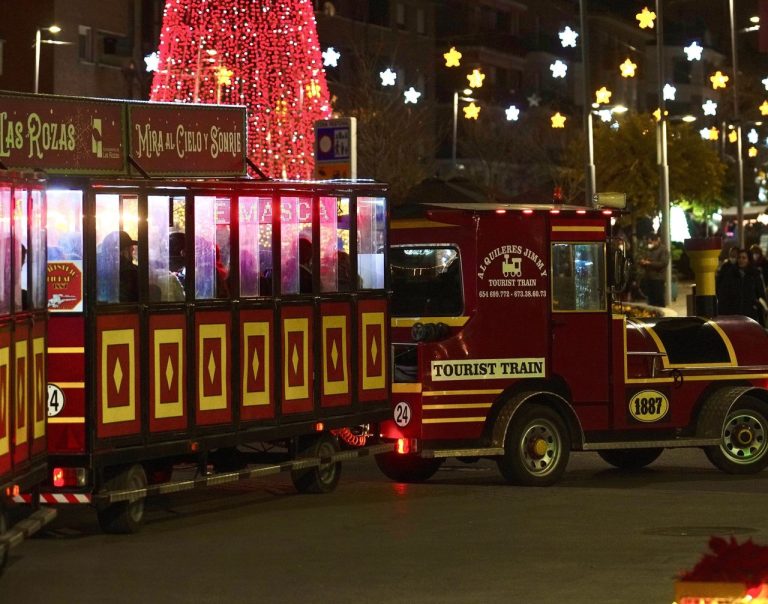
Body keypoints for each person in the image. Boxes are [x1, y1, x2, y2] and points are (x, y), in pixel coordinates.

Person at [717, 248, 767, 323]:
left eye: (744, 258)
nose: (741, 260)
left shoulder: (754, 275)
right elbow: (724, 293)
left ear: (748, 260)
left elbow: (760, 294)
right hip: (733, 314)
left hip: (750, 315)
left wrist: (756, 306)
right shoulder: (731, 274)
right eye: (739, 257)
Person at [637, 232, 669, 308]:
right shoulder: (649, 250)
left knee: (659, 299)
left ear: (656, 241)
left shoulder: (663, 250)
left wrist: (649, 263)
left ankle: (661, 317)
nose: (650, 244)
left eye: (651, 242)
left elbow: (663, 263)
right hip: (649, 278)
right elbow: (643, 259)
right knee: (651, 300)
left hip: (658, 278)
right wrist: (642, 262)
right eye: (649, 242)